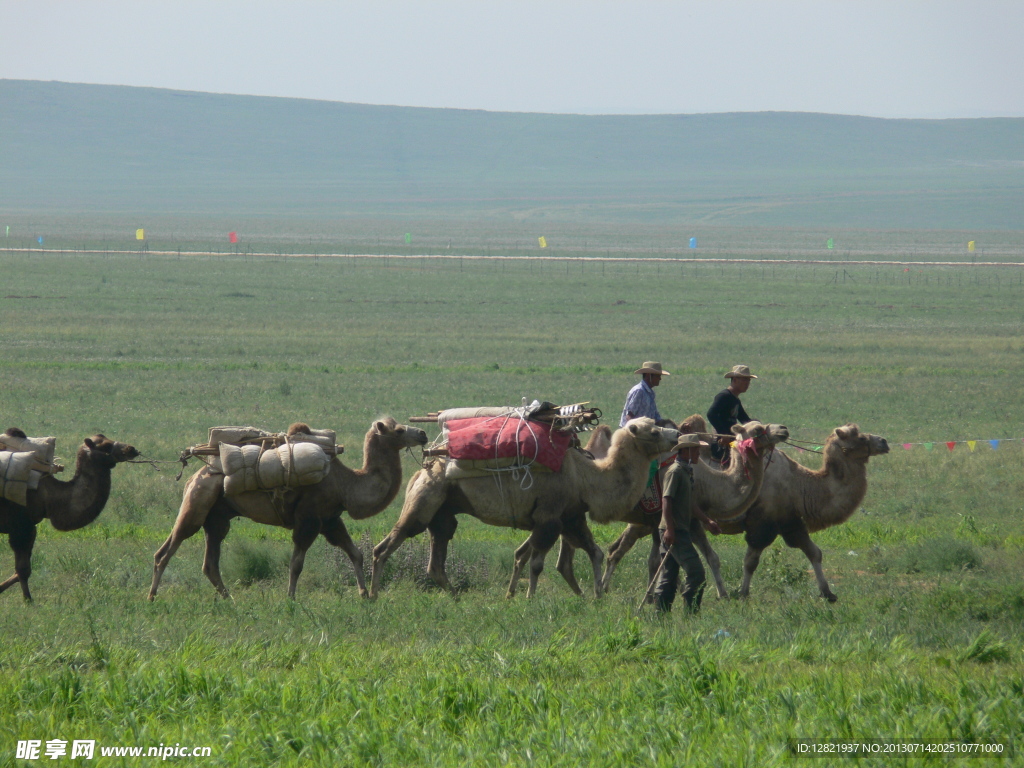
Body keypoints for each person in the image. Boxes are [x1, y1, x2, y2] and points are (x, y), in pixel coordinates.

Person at [652, 433, 721, 613]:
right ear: (687, 451)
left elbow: (690, 503)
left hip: (676, 530)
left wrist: (707, 521)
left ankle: (660, 616)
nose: (699, 453)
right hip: (674, 531)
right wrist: (670, 529)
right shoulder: (675, 472)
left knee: (668, 575)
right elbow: (666, 500)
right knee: (697, 573)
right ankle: (691, 613)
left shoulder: (686, 471)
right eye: (696, 449)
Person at [706, 364, 757, 462]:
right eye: (744, 380)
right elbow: (711, 414)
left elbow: (745, 420)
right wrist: (723, 434)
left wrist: (758, 429)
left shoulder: (735, 399)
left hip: (732, 440)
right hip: (721, 443)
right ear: (734, 380)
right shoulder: (724, 396)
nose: (747, 383)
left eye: (748, 380)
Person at [620, 361, 670, 427]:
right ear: (648, 375)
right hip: (633, 432)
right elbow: (629, 415)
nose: (660, 379)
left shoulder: (650, 393)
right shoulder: (639, 391)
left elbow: (656, 418)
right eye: (657, 376)